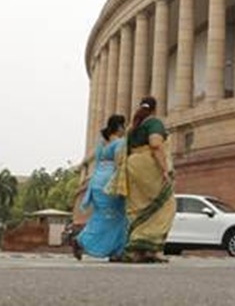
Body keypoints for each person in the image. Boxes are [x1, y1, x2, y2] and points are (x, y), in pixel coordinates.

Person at [111, 96, 175, 263]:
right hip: (148, 165)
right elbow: (155, 144)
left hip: (133, 166)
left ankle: (139, 251)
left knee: (139, 207)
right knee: (166, 206)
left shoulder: (133, 128)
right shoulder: (154, 123)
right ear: (154, 109)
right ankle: (152, 249)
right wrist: (165, 170)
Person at [74, 114, 128, 261]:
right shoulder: (120, 143)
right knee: (119, 216)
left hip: (96, 181)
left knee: (101, 214)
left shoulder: (101, 144)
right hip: (109, 182)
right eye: (123, 126)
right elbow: (118, 164)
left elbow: (97, 164)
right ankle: (85, 242)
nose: (124, 129)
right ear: (118, 127)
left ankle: (113, 251)